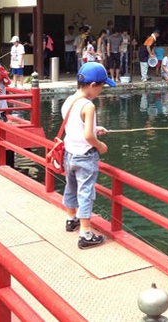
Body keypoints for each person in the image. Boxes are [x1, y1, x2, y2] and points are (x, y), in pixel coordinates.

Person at [61, 61, 115, 249]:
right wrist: (100, 145)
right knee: (85, 192)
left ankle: (71, 219)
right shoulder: (88, 106)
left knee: (71, 187)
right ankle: (85, 234)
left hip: (69, 154)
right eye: (102, 86)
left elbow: (74, 126)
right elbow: (88, 136)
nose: (102, 90)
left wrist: (94, 127)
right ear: (93, 85)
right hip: (85, 156)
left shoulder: (69, 100)